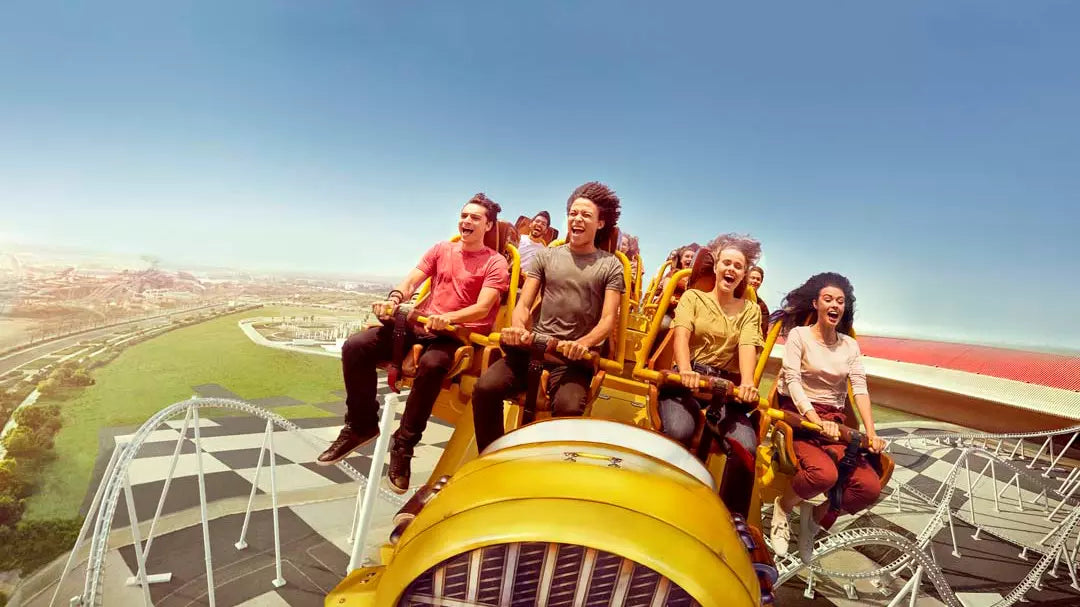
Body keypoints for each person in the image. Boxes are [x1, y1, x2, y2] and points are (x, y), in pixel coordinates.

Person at [316, 194, 510, 494]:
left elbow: (483, 308)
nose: (466, 221)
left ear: (488, 225)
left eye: (474, 218)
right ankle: (360, 423)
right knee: (356, 346)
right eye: (464, 215)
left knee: (433, 365)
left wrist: (447, 318)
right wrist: (394, 298)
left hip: (455, 334)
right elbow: (412, 281)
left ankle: (403, 446)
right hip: (421, 324)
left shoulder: (494, 262)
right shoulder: (441, 249)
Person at [472, 182, 625, 453]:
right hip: (535, 346)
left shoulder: (610, 265)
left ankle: (552, 467)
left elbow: (607, 321)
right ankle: (490, 455)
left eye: (586, 215)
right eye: (573, 214)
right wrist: (518, 328)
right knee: (485, 389)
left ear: (600, 223)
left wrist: (584, 344)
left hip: (572, 359)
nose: (577, 219)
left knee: (568, 409)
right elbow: (524, 304)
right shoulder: (546, 256)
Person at [767, 272, 887, 562]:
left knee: (869, 488)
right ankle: (783, 508)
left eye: (841, 301)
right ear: (817, 304)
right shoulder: (800, 336)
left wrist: (871, 432)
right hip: (801, 417)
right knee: (823, 475)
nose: (835, 305)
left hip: (834, 420)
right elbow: (793, 380)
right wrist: (813, 418)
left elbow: (859, 388)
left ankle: (815, 519)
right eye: (828, 299)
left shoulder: (849, 345)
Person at [657, 233, 764, 517]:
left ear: (743, 274)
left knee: (746, 447)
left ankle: (733, 520)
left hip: (724, 386)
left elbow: (746, 347)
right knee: (679, 431)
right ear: (716, 267)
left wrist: (749, 383)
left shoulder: (750, 311)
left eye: (738, 267)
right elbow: (681, 337)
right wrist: (687, 370)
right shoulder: (693, 298)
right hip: (689, 378)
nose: (731, 270)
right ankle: (663, 496)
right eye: (726, 263)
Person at [748, 265, 770, 339]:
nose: (755, 281)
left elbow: (763, 332)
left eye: (758, 279)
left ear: (761, 282)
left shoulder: (762, 307)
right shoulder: (735, 295)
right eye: (752, 278)